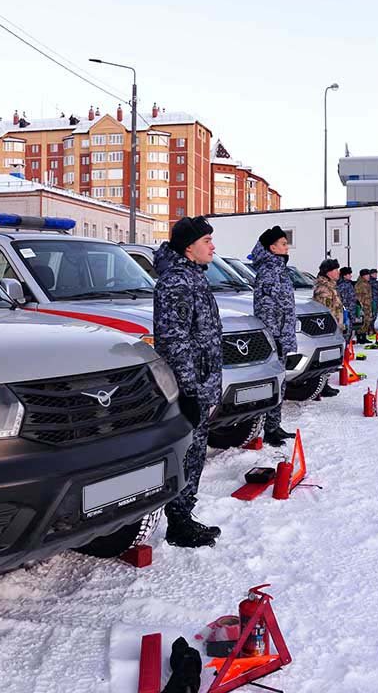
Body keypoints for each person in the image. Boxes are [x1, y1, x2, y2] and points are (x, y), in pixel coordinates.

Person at [153, 216, 224, 548]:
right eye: (207, 240)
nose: (212, 246)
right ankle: (177, 522)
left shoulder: (194, 277)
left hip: (202, 382)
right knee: (187, 452)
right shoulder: (176, 283)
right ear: (188, 247)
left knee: (196, 452)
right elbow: (174, 341)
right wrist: (190, 392)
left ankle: (184, 515)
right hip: (189, 387)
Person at [250, 226, 297, 447]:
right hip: (275, 336)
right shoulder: (269, 271)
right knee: (274, 382)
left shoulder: (279, 269)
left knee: (281, 382)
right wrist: (273, 338)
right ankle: (269, 429)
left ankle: (274, 426)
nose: (287, 246)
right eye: (283, 243)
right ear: (272, 247)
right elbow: (265, 308)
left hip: (282, 334)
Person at [312, 259, 343, 399]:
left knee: (329, 359)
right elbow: (324, 312)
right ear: (328, 272)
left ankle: (324, 384)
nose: (338, 272)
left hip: (334, 329)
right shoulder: (324, 289)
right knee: (324, 359)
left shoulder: (330, 287)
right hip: (327, 331)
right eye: (335, 269)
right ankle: (321, 386)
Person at [354, 269, 374, 343]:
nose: (369, 276)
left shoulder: (366, 284)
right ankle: (360, 337)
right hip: (363, 306)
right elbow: (358, 297)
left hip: (367, 306)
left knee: (367, 321)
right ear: (363, 276)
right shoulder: (360, 285)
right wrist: (361, 306)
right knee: (362, 322)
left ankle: (364, 336)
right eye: (367, 275)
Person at [337, 267, 357, 340]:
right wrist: (346, 311)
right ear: (344, 275)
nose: (351, 276)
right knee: (346, 330)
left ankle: (347, 345)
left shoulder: (349, 284)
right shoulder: (342, 285)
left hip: (350, 311)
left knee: (349, 330)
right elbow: (343, 300)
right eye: (349, 274)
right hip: (346, 312)